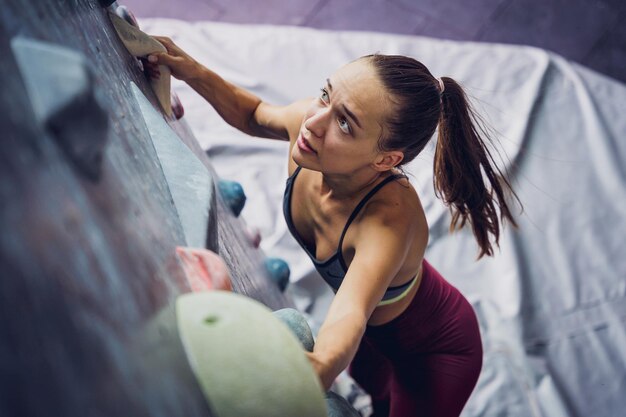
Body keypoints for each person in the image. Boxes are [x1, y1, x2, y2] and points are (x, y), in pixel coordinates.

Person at [147, 37, 519, 417]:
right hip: (376, 337)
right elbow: (254, 113)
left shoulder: (388, 223)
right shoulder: (309, 125)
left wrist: (322, 363)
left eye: (345, 122)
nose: (313, 122)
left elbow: (352, 311)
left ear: (386, 159)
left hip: (435, 353)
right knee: (376, 394)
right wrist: (190, 69)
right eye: (325, 94)